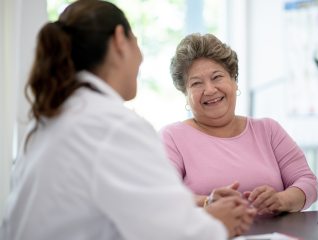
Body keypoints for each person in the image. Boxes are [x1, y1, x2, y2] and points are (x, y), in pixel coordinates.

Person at [0, 2, 256, 240]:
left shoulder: (53, 118)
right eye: (137, 41)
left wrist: (204, 214)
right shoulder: (112, 126)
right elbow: (175, 234)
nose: (142, 57)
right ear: (120, 40)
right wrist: (218, 223)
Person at [160, 33, 318, 215]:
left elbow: (307, 182)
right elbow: (162, 195)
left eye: (217, 77)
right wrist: (207, 203)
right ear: (185, 94)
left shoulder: (268, 130)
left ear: (234, 81)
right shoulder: (172, 137)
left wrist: (281, 200)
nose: (210, 90)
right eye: (196, 83)